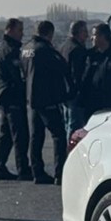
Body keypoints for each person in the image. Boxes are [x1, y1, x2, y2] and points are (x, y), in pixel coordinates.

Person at [23, 20, 70, 184]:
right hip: (47, 98)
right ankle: (60, 172)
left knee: (36, 137)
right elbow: (62, 68)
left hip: (32, 99)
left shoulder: (26, 48)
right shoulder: (46, 50)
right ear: (50, 33)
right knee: (59, 135)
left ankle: (37, 172)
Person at [0, 18, 32, 181]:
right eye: (19, 30)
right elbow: (19, 76)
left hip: (2, 94)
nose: (22, 34)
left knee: (6, 134)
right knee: (20, 134)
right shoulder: (11, 50)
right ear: (10, 30)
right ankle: (23, 168)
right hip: (12, 95)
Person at [61, 20, 91, 134]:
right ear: (78, 32)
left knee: (67, 122)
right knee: (75, 125)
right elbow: (77, 73)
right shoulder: (77, 49)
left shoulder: (64, 46)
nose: (87, 35)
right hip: (74, 93)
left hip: (64, 91)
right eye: (85, 32)